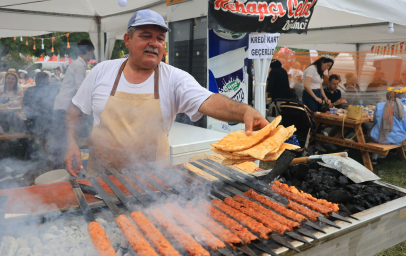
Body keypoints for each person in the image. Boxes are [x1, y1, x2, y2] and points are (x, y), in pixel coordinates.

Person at [65, 9, 268, 177]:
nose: (154, 43)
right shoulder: (102, 71)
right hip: (101, 181)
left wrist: (245, 112)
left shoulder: (174, 78)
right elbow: (76, 109)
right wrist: (71, 142)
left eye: (160, 39)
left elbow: (209, 100)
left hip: (152, 184)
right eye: (146, 36)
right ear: (127, 39)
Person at [50, 39, 95, 168]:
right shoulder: (80, 65)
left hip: (61, 105)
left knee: (62, 138)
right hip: (65, 107)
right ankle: (64, 167)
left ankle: (61, 166)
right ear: (90, 52)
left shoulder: (76, 63)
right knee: (67, 138)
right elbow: (81, 87)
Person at [22, 72, 59, 154]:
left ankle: (30, 153)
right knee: (49, 126)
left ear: (36, 81)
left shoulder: (30, 90)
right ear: (47, 81)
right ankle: (47, 153)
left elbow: (24, 107)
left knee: (24, 123)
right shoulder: (53, 89)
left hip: (32, 126)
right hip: (50, 124)